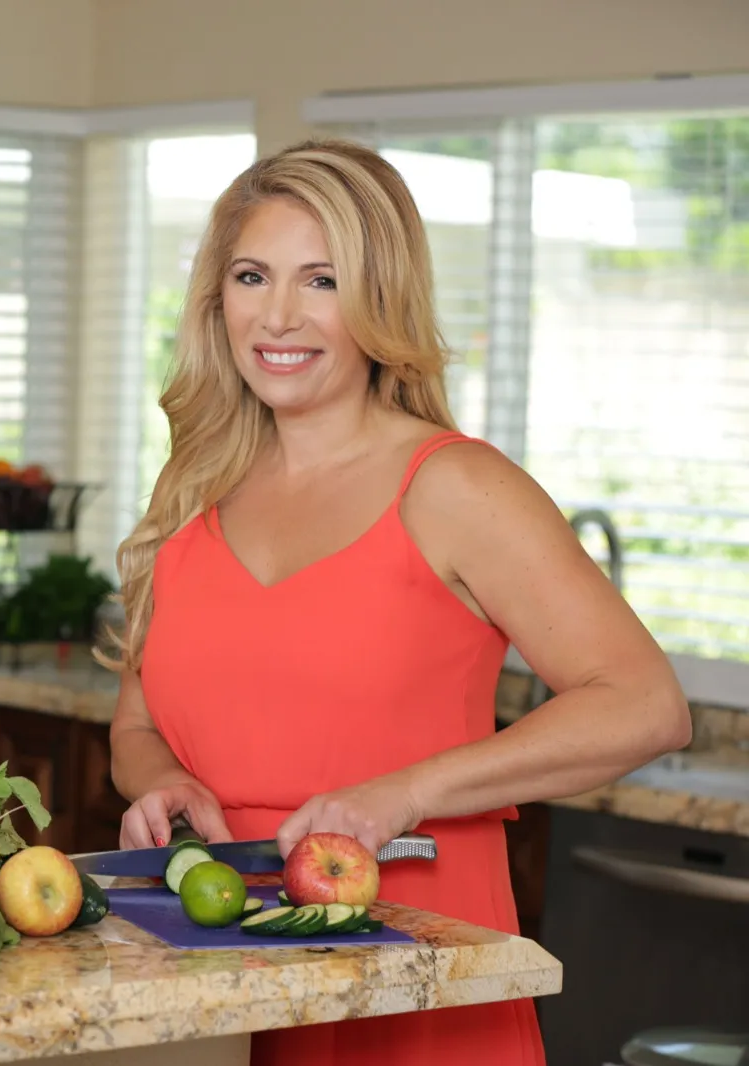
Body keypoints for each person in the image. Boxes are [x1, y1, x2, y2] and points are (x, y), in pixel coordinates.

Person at [95, 138, 692, 1066]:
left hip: (421, 970)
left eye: (321, 280)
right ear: (218, 298)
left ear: (378, 299)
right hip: (237, 982)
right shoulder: (194, 494)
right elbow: (136, 727)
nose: (280, 315)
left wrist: (404, 793)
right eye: (253, 276)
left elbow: (645, 706)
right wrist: (162, 784)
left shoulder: (452, 486)